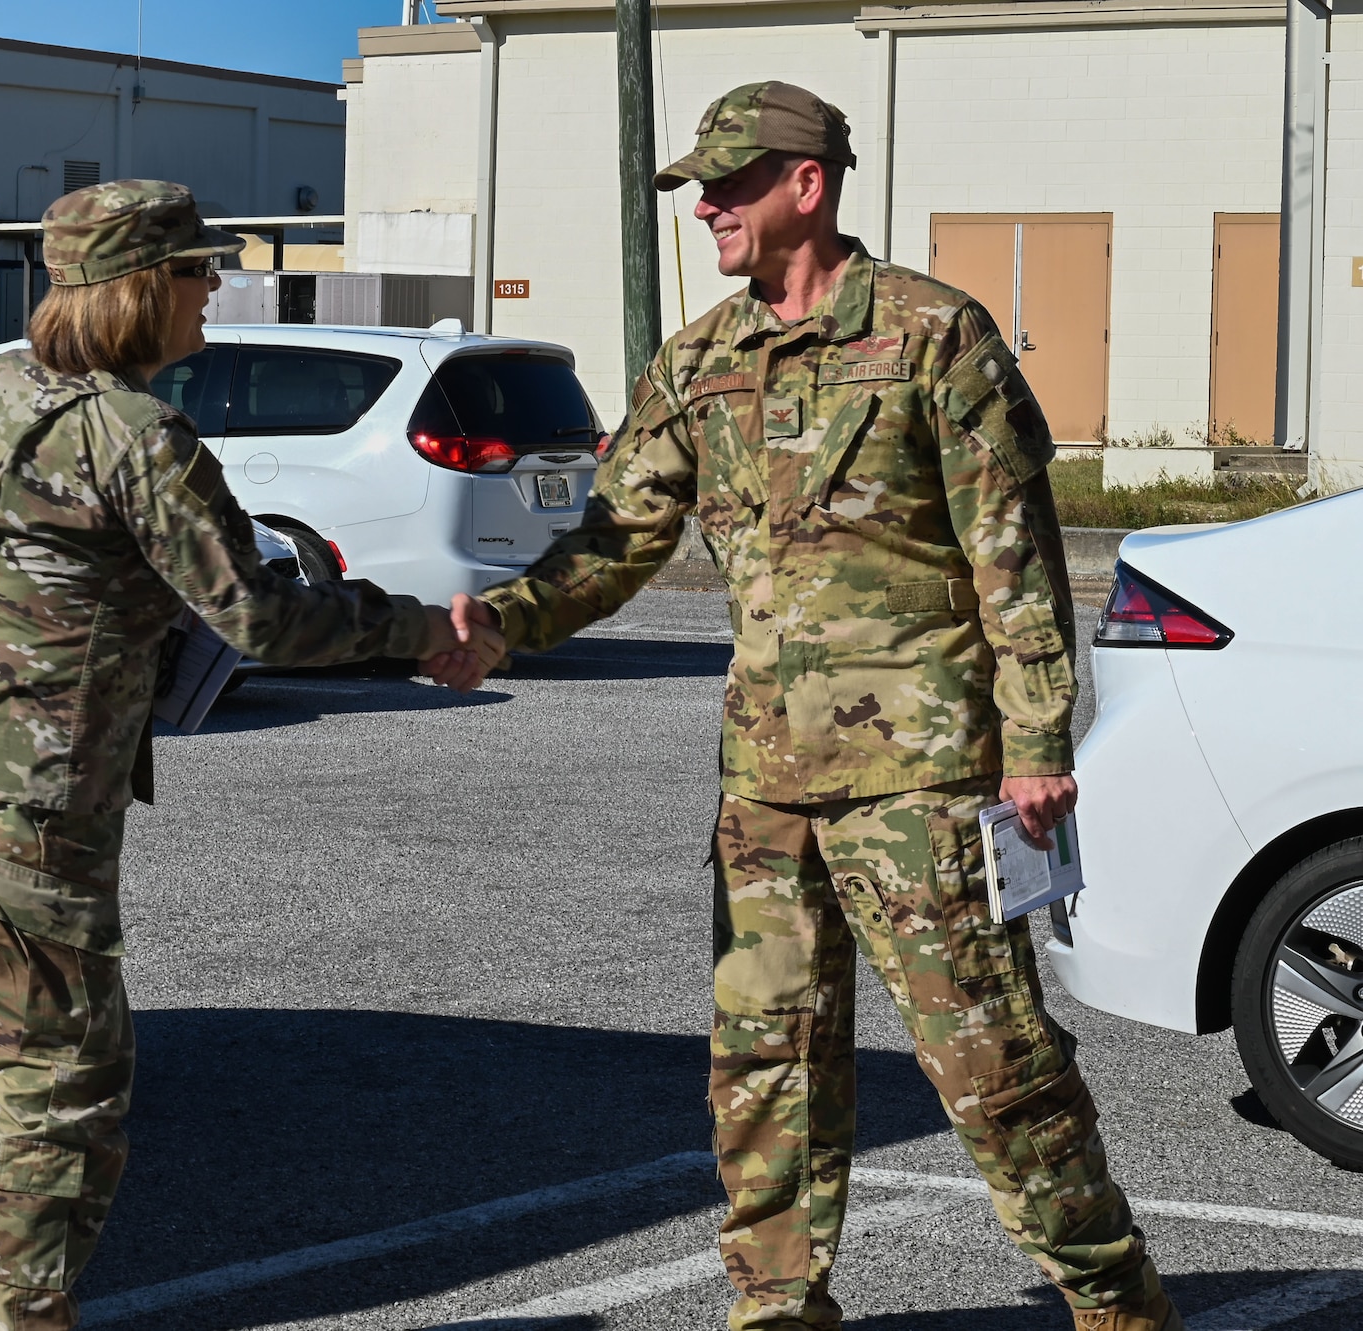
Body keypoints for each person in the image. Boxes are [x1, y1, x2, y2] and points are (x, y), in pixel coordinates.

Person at [439, 83, 1181, 1331]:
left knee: (991, 1063)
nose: (707, 208)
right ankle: (775, 1306)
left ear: (806, 183)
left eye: (728, 185)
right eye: (697, 189)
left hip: (925, 785)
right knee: (762, 1067)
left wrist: (1036, 743)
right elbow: (619, 537)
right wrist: (501, 620)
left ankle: (1111, 1294)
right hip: (766, 782)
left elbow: (1011, 554)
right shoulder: (700, 359)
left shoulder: (932, 336)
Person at [0, 179, 499, 1331]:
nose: (211, 287)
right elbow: (263, 616)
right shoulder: (136, 433)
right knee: (67, 1082)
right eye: (192, 270)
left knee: (8, 1061)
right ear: (136, 290)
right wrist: (422, 632)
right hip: (33, 799)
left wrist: (68, 604)